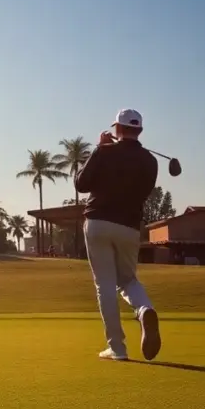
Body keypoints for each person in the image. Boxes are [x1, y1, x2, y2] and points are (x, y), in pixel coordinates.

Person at [75, 109, 162, 362]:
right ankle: (144, 309)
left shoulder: (104, 152)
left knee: (105, 285)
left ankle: (117, 348)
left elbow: (81, 184)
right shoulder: (151, 161)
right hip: (129, 227)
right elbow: (143, 192)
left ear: (118, 129)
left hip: (98, 222)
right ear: (140, 130)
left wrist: (98, 149)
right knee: (128, 280)